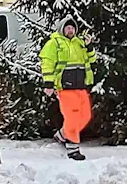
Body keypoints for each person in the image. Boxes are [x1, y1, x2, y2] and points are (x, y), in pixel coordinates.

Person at [40, 16, 96, 161]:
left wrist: (89, 46)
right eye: (68, 28)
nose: (70, 30)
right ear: (62, 29)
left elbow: (92, 59)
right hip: (65, 87)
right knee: (72, 117)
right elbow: (47, 63)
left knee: (85, 116)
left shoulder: (79, 43)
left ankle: (62, 135)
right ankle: (73, 149)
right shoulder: (54, 43)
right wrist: (48, 84)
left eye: (72, 28)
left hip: (81, 86)